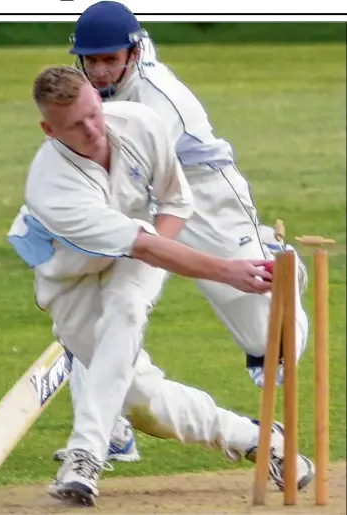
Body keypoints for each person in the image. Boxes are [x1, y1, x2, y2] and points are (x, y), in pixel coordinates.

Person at [6, 66, 310, 507]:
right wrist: (227, 270)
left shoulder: (140, 123)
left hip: (144, 247)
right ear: (49, 130)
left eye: (95, 112)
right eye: (76, 125)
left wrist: (166, 261)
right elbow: (140, 246)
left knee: (126, 311)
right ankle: (259, 440)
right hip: (69, 279)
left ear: (98, 98)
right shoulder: (51, 186)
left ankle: (85, 454)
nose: (94, 129)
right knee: (141, 399)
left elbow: (175, 204)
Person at [53, 0, 309, 464]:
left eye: (109, 59)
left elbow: (134, 167)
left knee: (271, 346)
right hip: (145, 199)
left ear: (132, 53)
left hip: (209, 198)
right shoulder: (83, 91)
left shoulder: (156, 95)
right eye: (91, 60)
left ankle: (280, 263)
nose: (100, 70)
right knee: (110, 305)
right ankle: (108, 428)